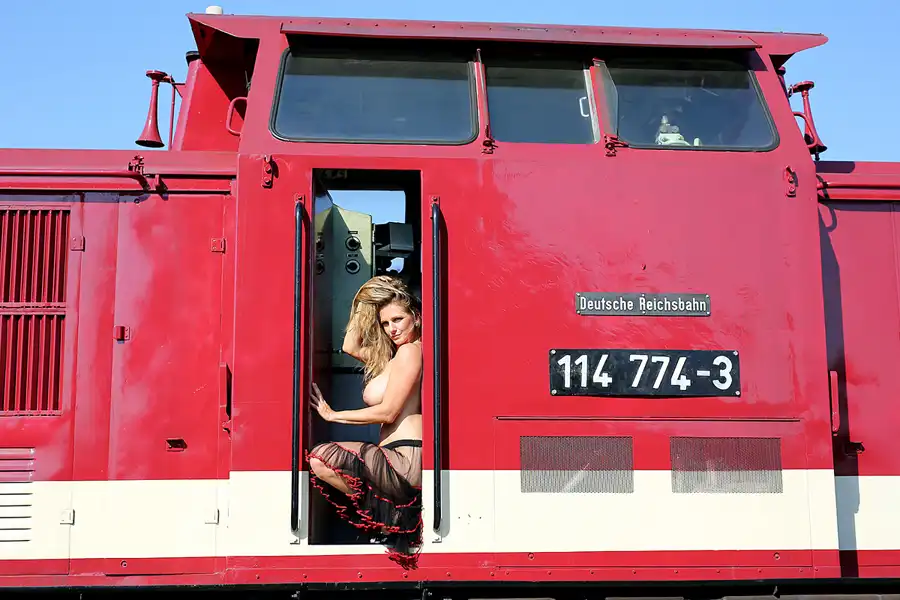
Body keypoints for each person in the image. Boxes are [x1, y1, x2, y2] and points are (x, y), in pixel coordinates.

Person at [307, 275, 424, 569]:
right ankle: (393, 517)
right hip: (395, 454)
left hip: (406, 457)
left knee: (321, 458)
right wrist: (365, 296)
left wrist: (334, 415)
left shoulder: (411, 351)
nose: (392, 328)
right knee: (320, 462)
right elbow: (350, 345)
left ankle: (392, 517)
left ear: (416, 317)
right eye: (385, 323)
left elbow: (388, 412)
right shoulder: (395, 358)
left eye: (398, 319)